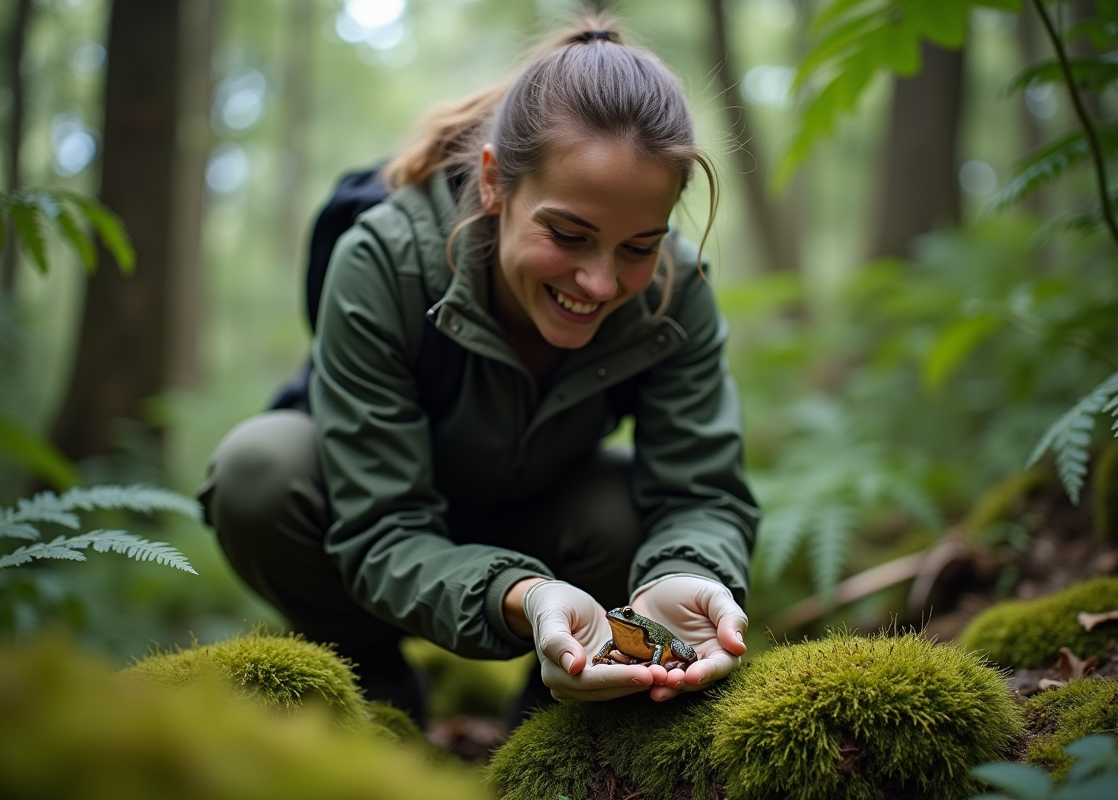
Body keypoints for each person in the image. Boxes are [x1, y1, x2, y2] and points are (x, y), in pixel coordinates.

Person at [198, 15, 758, 727]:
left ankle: (558, 720)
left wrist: (689, 576)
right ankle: (374, 689)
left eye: (638, 246)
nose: (599, 282)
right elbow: (383, 527)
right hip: (379, 515)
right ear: (494, 184)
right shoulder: (383, 260)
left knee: (630, 515)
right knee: (259, 471)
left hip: (549, 517)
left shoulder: (677, 294)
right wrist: (522, 596)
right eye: (568, 235)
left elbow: (701, 492)